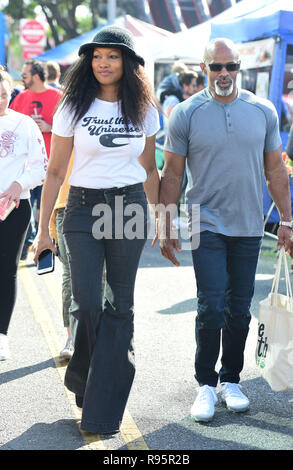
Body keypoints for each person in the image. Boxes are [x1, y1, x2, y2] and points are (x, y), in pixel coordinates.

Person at [32, 25, 160, 434]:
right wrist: (42, 230)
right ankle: (84, 377)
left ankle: (103, 405)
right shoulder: (72, 106)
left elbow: (150, 169)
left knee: (120, 307)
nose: (104, 63)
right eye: (98, 56)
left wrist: (163, 218)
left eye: (113, 56)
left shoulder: (144, 109)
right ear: (89, 62)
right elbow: (54, 172)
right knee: (87, 303)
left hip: (130, 207)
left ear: (128, 63)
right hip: (84, 209)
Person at [157, 38, 293, 423]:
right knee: (211, 305)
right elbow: (173, 174)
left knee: (238, 309)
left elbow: (275, 171)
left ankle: (231, 379)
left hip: (249, 224)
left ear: (240, 69)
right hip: (205, 223)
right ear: (203, 69)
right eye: (216, 67)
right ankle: (205, 383)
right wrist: (166, 223)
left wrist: (286, 220)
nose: (224, 74)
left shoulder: (263, 110)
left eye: (231, 67)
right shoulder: (185, 113)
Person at [0, 67, 47, 361]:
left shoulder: (24, 124)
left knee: (5, 272)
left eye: (4, 94)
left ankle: (1, 336)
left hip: (15, 209)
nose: (0, 99)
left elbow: (42, 166)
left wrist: (19, 184)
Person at [9, 60, 62, 258]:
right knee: (26, 204)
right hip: (25, 167)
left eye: (25, 75)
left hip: (53, 164)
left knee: (48, 206)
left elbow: (72, 127)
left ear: (37, 77)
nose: (22, 79)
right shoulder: (21, 97)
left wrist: (50, 127)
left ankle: (49, 241)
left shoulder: (58, 96)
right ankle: (26, 244)